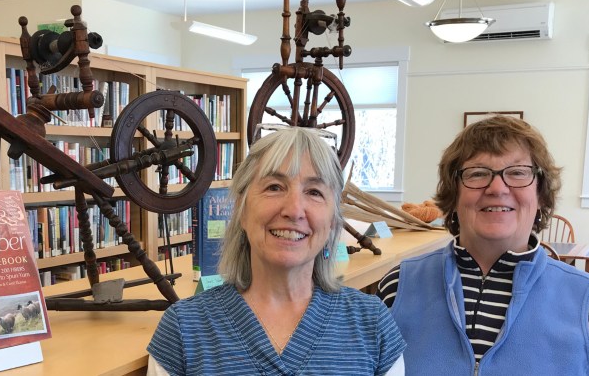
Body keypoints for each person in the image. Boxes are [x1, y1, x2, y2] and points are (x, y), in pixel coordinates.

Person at [147, 126, 406, 375]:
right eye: (274, 187)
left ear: (333, 221)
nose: (293, 210)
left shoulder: (373, 325)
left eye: (314, 192)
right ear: (241, 211)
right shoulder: (183, 330)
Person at [376, 115, 589, 375]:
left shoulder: (587, 303)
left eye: (517, 173)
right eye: (478, 173)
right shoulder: (398, 286)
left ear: (541, 196)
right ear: (454, 194)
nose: (497, 187)